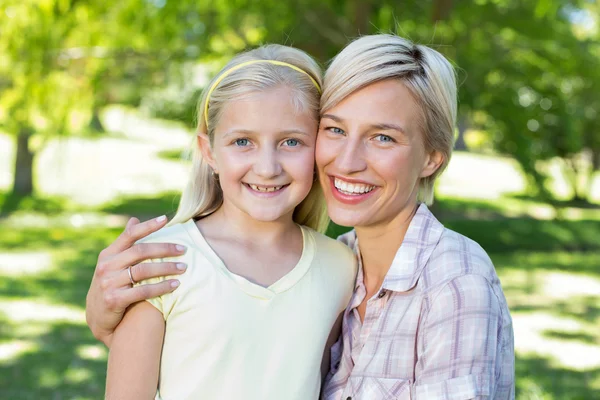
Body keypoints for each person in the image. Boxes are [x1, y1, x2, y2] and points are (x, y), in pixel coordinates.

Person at [87, 34, 515, 399]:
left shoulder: (430, 279)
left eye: (383, 137)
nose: (348, 161)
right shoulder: (349, 265)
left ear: (432, 159)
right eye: (336, 130)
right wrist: (102, 318)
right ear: (209, 151)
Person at [103, 44, 358, 400]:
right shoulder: (160, 262)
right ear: (209, 152)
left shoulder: (340, 267)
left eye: (291, 142)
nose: (268, 167)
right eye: (243, 141)